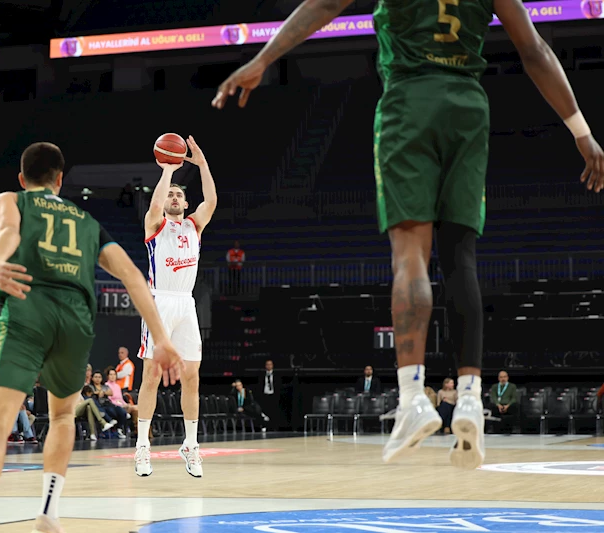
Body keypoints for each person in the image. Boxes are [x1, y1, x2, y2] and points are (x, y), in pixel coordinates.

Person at [211, 0, 604, 470]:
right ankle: (471, 400)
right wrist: (580, 130)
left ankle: (415, 396)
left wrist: (263, 59)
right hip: (467, 107)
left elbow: (323, 6)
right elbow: (534, 48)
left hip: (410, 100)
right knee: (461, 259)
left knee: (409, 258)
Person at [0, 142, 183, 533]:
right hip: (76, 322)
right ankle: (49, 514)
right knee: (62, 416)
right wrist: (160, 338)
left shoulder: (11, 200)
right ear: (60, 180)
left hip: (29, 309)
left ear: (22, 179)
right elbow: (133, 277)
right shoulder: (87, 222)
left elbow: (6, 230)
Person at [135, 136, 217, 479]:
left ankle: (191, 444)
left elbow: (211, 200)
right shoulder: (156, 225)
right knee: (151, 374)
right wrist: (168, 171)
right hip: (160, 302)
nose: (175, 197)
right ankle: (142, 446)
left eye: (180, 194)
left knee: (192, 376)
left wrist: (201, 164)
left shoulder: (193, 225)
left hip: (186, 304)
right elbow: (154, 207)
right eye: (171, 194)